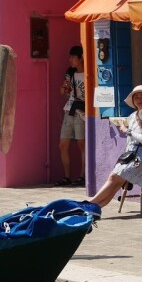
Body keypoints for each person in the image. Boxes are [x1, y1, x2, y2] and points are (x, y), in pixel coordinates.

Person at [90, 85, 142, 207]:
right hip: (131, 155)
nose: (139, 100)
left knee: (114, 177)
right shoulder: (133, 116)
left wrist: (127, 130)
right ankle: (95, 207)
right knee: (115, 182)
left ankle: (89, 203)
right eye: (136, 97)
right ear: (133, 101)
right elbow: (130, 141)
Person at [56, 45, 86, 187]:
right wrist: (64, 87)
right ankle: (67, 176)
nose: (70, 60)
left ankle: (83, 175)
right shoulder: (70, 73)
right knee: (63, 144)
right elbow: (63, 92)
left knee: (82, 144)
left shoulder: (88, 73)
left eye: (73, 57)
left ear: (81, 58)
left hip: (82, 111)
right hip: (70, 109)